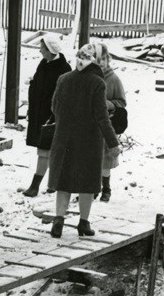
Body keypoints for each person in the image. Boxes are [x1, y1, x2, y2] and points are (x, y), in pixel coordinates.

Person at [47, 43, 120, 238]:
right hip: (88, 141)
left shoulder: (63, 79)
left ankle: (58, 221)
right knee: (87, 184)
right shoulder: (97, 82)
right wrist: (113, 143)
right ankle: (83, 223)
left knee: (64, 181)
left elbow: (54, 107)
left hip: (64, 139)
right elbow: (102, 117)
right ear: (94, 62)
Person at [22, 33, 72, 197]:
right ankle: (53, 183)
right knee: (50, 151)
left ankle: (35, 185)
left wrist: (55, 116)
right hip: (39, 114)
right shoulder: (44, 63)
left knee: (45, 151)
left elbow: (64, 98)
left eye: (42, 48)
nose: (40, 51)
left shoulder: (64, 70)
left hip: (52, 117)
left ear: (50, 50)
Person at [93, 42, 126, 202]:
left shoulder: (113, 79)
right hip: (89, 125)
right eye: (96, 59)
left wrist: (110, 104)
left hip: (107, 125)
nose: (100, 63)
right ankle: (92, 188)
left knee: (105, 159)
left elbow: (122, 102)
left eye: (103, 59)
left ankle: (106, 188)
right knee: (90, 158)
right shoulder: (88, 77)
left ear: (108, 59)